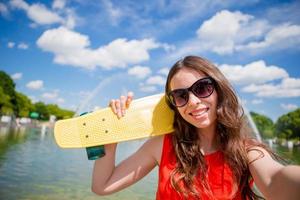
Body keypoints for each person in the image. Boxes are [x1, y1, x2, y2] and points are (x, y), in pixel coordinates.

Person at [92, 56, 300, 199]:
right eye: (181, 95)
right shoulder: (161, 145)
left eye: (202, 88)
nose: (192, 101)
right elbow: (102, 186)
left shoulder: (248, 153)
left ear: (218, 90)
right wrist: (111, 135)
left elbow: (276, 179)